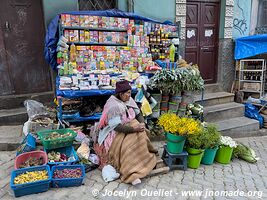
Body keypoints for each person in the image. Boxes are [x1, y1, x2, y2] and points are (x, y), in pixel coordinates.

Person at [94, 80, 158, 185]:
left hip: (131, 125)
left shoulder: (129, 100)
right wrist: (134, 129)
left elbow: (138, 113)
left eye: (129, 92)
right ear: (121, 94)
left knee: (142, 135)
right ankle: (131, 173)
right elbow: (117, 127)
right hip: (116, 132)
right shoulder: (113, 105)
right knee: (128, 146)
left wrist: (141, 123)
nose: (129, 95)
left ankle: (144, 161)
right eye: (127, 93)